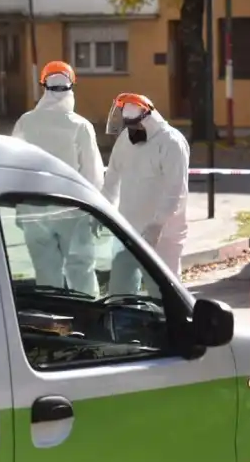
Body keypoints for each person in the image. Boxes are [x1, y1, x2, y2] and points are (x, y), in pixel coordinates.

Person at [12, 61, 105, 296]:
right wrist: (96, 210)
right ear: (71, 87)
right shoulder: (80, 126)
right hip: (73, 209)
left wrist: (19, 207)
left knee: (46, 274)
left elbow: (15, 166)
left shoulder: (26, 122)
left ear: (43, 86)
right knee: (81, 272)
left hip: (33, 208)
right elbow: (93, 175)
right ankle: (88, 320)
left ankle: (52, 325)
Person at [102, 93, 189, 294]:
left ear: (147, 119)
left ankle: (168, 325)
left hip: (164, 235)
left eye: (135, 126)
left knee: (163, 293)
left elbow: (174, 190)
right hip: (128, 228)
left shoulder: (171, 142)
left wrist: (157, 225)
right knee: (120, 290)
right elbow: (113, 178)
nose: (132, 131)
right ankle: (125, 324)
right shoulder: (125, 140)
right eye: (128, 125)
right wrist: (103, 208)